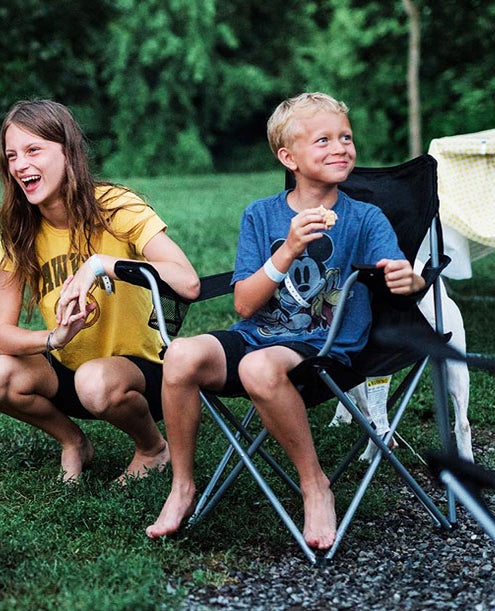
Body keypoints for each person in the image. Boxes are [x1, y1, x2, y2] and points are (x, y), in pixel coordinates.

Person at [145, 92, 425, 548]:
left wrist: (408, 278)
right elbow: (244, 306)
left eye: (346, 137)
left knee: (258, 367)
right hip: (257, 335)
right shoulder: (261, 215)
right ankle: (182, 486)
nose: (340, 148)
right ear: (288, 158)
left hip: (325, 348)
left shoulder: (365, 218)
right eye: (323, 140)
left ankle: (315, 485)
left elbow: (400, 275)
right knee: (179, 354)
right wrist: (289, 248)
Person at [0, 99, 200, 483]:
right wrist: (55, 337)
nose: (20, 165)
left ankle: (152, 448)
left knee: (94, 380)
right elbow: (1, 335)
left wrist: (100, 265)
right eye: (12, 156)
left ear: (68, 152)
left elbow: (188, 282)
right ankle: (73, 441)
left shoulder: (115, 206)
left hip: (141, 372)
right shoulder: (19, 228)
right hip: (67, 369)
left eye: (33, 150)